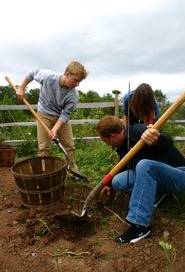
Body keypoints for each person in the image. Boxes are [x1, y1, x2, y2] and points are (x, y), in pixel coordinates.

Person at [97, 116, 185, 244]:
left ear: (112, 136)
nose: (107, 144)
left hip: (179, 174)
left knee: (145, 165)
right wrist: (109, 184)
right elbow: (123, 164)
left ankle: (140, 226)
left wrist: (157, 137)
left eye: (106, 141)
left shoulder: (138, 130)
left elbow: (168, 140)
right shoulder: (122, 145)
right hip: (160, 178)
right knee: (118, 181)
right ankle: (159, 196)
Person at [16, 60, 88, 173]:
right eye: (76, 80)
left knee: (69, 146)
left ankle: (72, 170)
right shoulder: (48, 77)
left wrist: (55, 129)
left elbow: (65, 114)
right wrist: (21, 88)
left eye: (80, 81)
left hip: (60, 116)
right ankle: (42, 173)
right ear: (67, 74)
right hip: (43, 114)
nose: (78, 84)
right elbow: (32, 73)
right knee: (44, 147)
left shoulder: (73, 96)